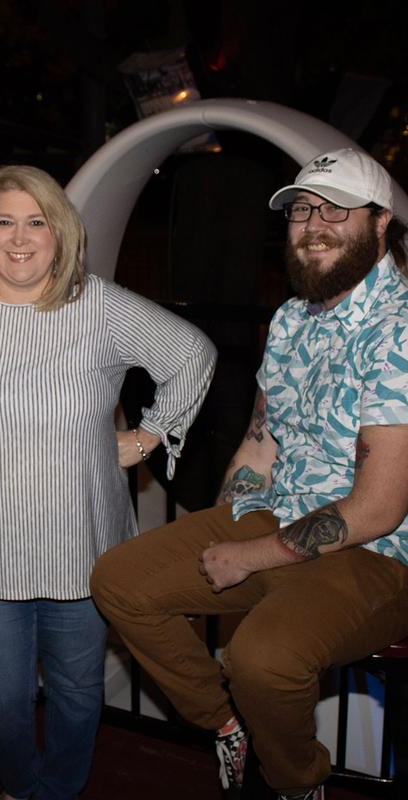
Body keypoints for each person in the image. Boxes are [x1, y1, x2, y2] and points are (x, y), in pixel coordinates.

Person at [0, 164, 217, 800]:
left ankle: (57, 791)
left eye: (38, 221)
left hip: (79, 541)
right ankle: (21, 787)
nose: (20, 237)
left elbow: (193, 353)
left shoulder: (99, 305)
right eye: (5, 221)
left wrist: (146, 437)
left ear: (61, 233)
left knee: (77, 692)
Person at [90, 148, 408, 800]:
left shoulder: (399, 331)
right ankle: (226, 722)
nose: (313, 225)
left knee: (262, 660)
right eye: (301, 210)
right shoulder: (291, 319)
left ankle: (297, 784)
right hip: (280, 516)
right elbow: (260, 446)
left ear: (381, 223)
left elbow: (377, 510)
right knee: (119, 581)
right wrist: (225, 521)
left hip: (378, 553)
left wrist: (249, 556)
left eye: (336, 210)